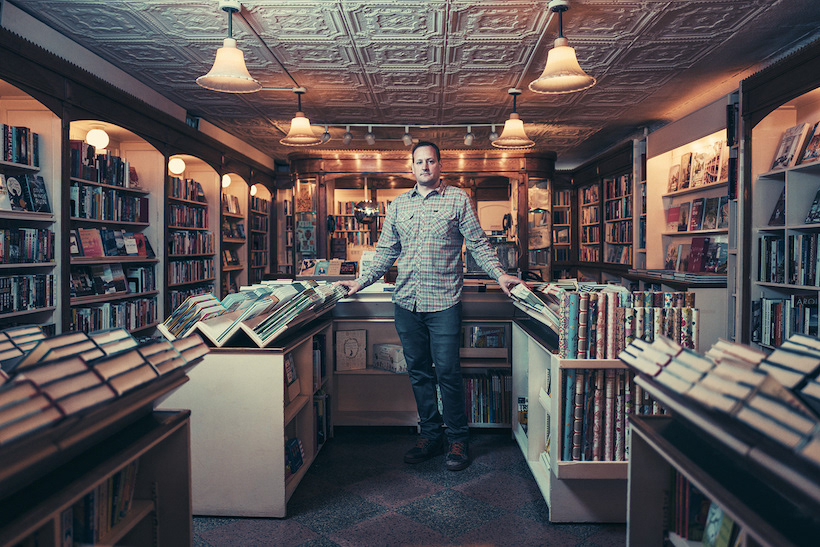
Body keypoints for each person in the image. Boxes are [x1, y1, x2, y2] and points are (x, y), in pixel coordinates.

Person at [335, 141, 525, 471]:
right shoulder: (398, 205)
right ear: (411, 167)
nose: (425, 166)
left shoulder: (458, 199)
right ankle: (430, 434)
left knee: (448, 372)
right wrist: (359, 282)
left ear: (440, 165)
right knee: (419, 373)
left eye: (431, 161)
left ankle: (458, 439)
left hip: (444, 303)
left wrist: (501, 275)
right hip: (406, 303)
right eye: (419, 162)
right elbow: (385, 252)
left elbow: (478, 245)